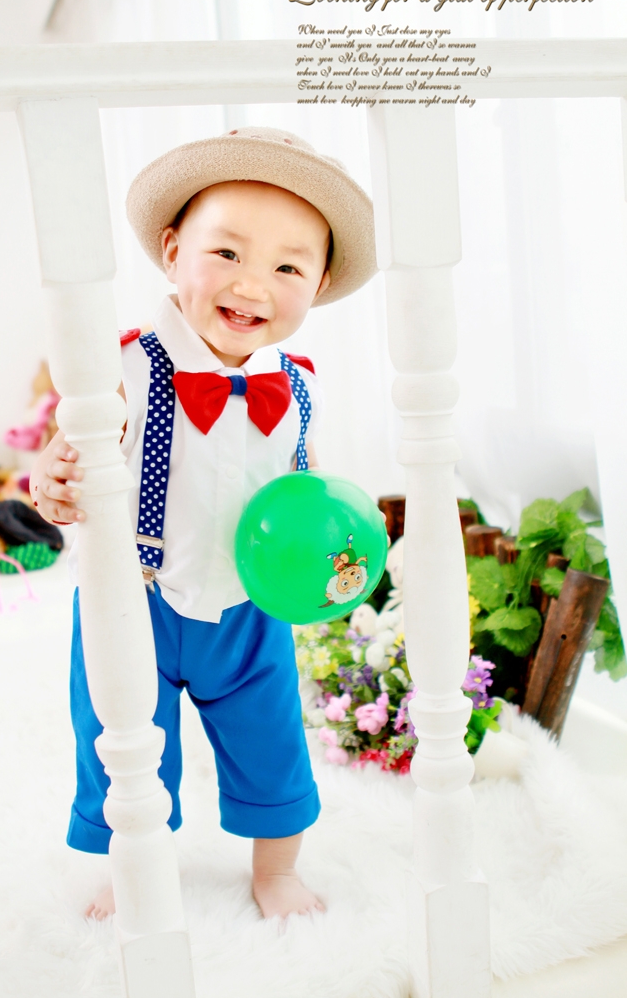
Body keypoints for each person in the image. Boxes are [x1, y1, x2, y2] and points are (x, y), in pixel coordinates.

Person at [29, 127, 376, 922]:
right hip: (135, 601)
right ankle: (132, 870)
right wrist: (54, 480)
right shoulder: (126, 367)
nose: (253, 285)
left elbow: (307, 491)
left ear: (319, 284)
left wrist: (331, 550)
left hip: (251, 609)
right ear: (172, 250)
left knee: (273, 743)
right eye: (226, 253)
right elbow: (68, 451)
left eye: (288, 268)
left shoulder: (301, 388)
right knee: (120, 745)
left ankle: (277, 872)